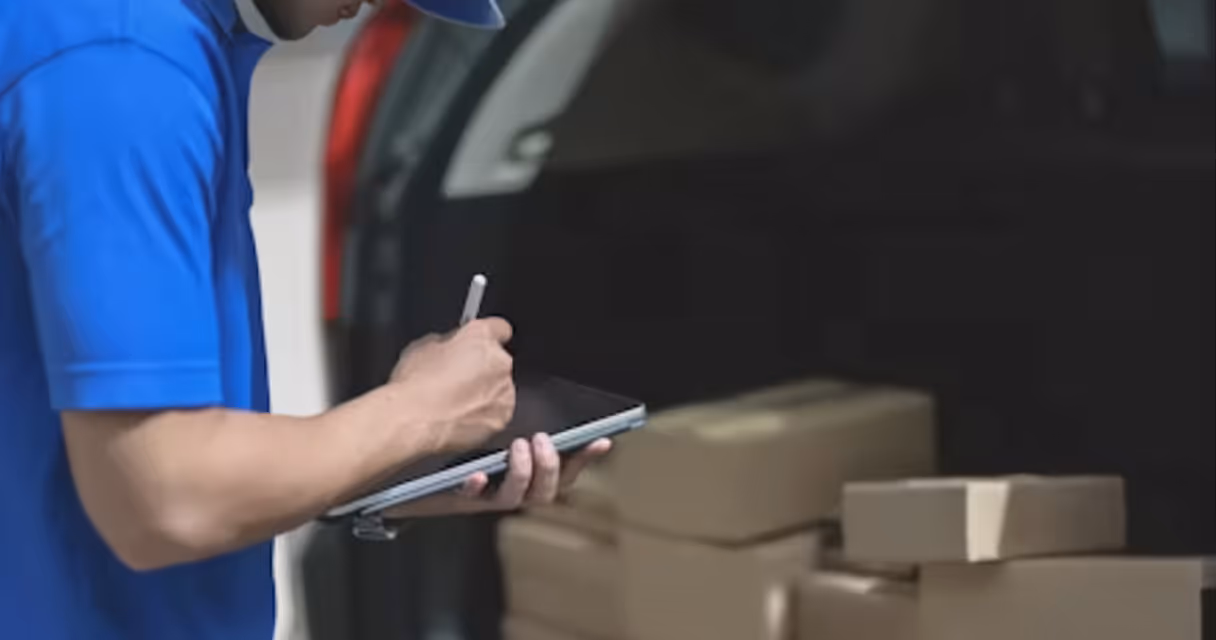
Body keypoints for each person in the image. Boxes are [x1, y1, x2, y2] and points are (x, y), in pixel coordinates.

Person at [0, 0, 609, 638]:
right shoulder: (127, 72)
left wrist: (397, 462)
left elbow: (127, 452)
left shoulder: (149, 44)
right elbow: (167, 498)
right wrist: (420, 412)